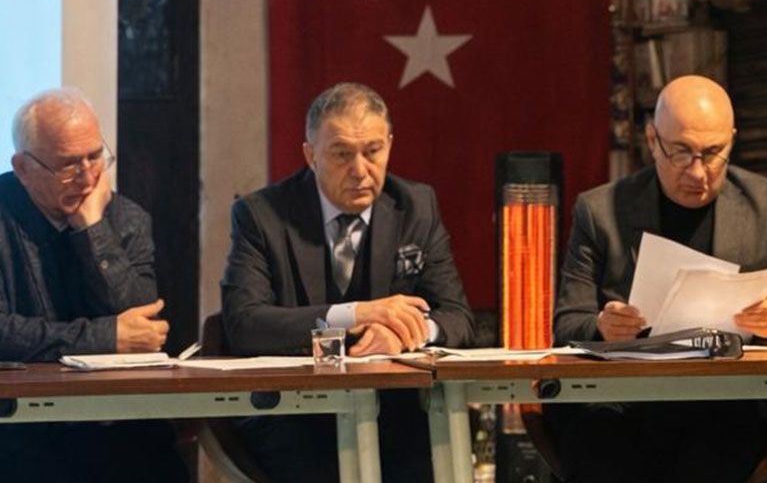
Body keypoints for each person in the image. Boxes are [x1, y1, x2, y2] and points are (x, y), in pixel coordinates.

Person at [550, 75, 767, 483]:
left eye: (713, 153)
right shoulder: (600, 211)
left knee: (720, 445)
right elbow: (568, 323)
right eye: (680, 152)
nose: (698, 173)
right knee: (597, 443)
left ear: (732, 141)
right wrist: (602, 326)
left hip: (725, 399)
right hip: (623, 400)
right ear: (652, 140)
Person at [222, 82, 474, 482]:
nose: (360, 170)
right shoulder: (260, 215)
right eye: (341, 154)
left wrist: (409, 333)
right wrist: (355, 314)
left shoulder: (416, 206)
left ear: (389, 145)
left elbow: (458, 317)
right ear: (311, 155)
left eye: (373, 151)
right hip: (295, 413)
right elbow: (244, 324)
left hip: (393, 412)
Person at [0, 88, 185, 482]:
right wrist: (104, 337)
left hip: (114, 421)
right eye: (68, 165)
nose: (88, 178)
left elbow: (143, 325)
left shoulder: (126, 218)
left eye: (96, 157)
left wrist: (93, 229)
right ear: (23, 168)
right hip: (20, 427)